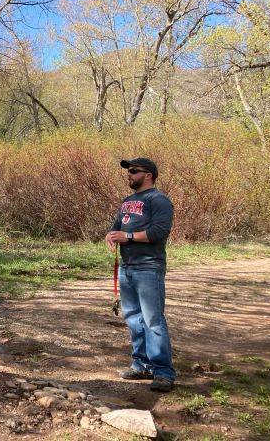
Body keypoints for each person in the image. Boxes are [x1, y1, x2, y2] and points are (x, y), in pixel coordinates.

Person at [106, 157, 176, 393]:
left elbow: (159, 231)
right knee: (134, 319)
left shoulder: (159, 200)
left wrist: (129, 237)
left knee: (153, 321)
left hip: (149, 268)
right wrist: (112, 235)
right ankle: (142, 365)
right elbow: (118, 226)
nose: (129, 174)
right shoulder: (127, 201)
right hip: (127, 268)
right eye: (129, 171)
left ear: (148, 175)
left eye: (134, 171)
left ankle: (163, 372)